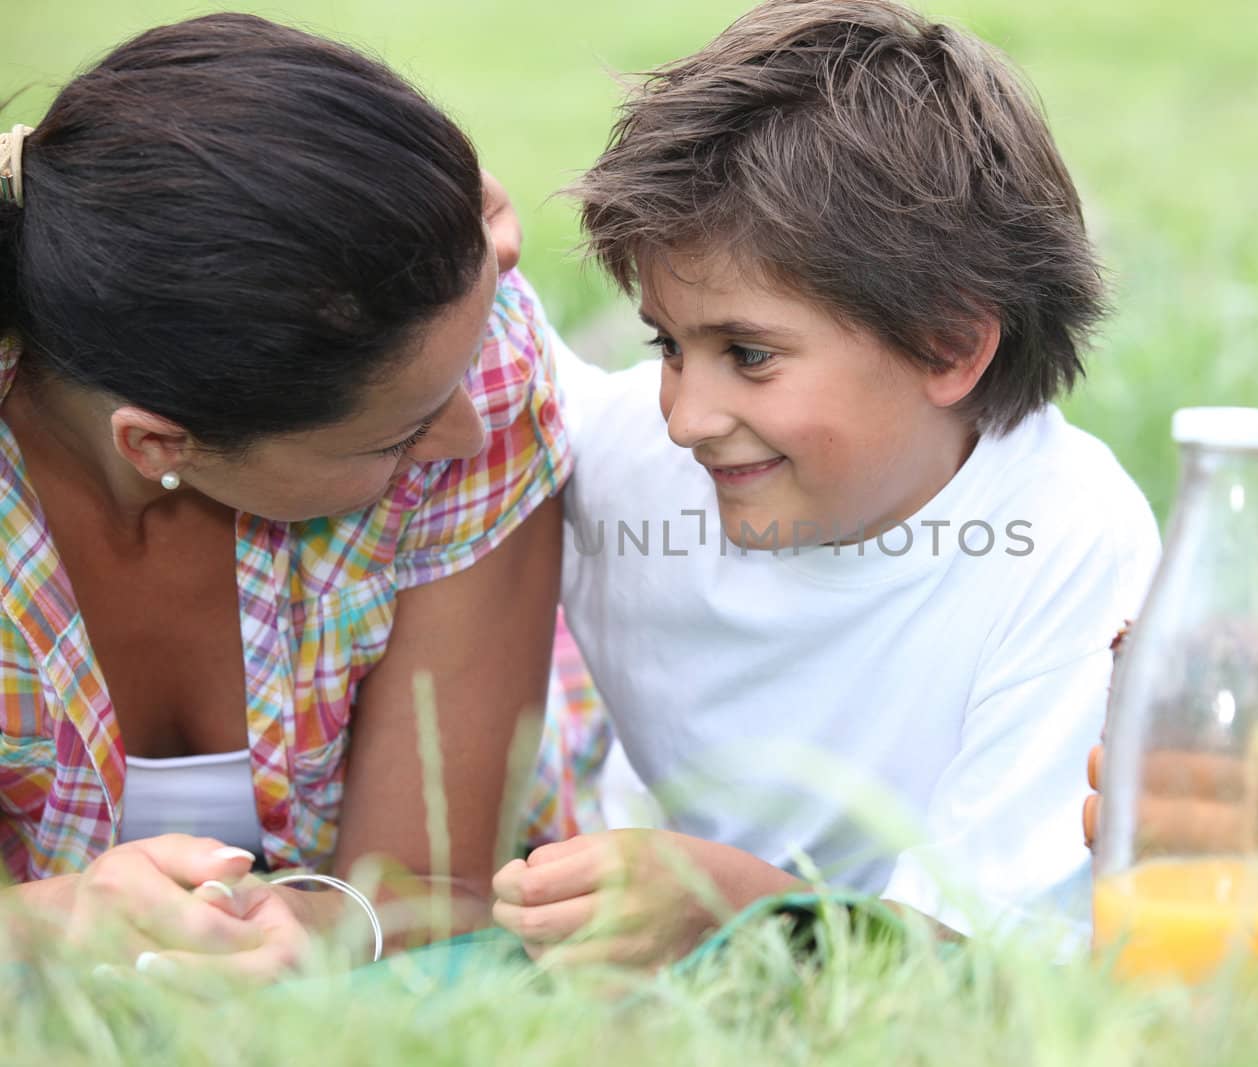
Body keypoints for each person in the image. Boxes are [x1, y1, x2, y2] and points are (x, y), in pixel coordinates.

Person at [493, 0, 1161, 965]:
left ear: (949, 344)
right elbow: (464, 326)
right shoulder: (622, 448)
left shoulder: (1067, 543)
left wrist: (739, 909)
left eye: (750, 354)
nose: (685, 418)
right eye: (668, 344)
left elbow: (998, 974)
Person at [0, 13, 580, 980]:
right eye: (396, 436)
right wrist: (53, 928)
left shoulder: (470, 370)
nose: (470, 438)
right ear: (158, 443)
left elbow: (434, 884)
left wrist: (313, 932)